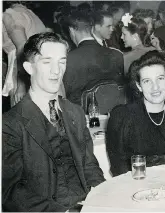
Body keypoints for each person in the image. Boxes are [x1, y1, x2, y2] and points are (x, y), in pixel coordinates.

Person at [2, 32, 105, 212]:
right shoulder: (10, 124)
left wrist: (100, 199)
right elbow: (10, 191)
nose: (56, 71)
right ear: (29, 67)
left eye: (62, 61)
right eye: (47, 62)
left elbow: (90, 166)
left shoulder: (75, 112)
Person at [106, 50, 165, 177]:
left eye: (160, 78)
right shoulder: (122, 117)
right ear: (139, 86)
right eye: (147, 81)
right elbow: (119, 169)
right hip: (138, 186)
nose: (155, 87)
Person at [64, 11, 124, 106]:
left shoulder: (69, 59)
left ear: (71, 30)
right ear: (92, 29)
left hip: (84, 116)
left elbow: (65, 96)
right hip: (114, 112)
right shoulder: (117, 55)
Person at [2, 2, 47, 106]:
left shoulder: (12, 14)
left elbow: (22, 48)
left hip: (21, 67)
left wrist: (21, 85)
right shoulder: (30, 14)